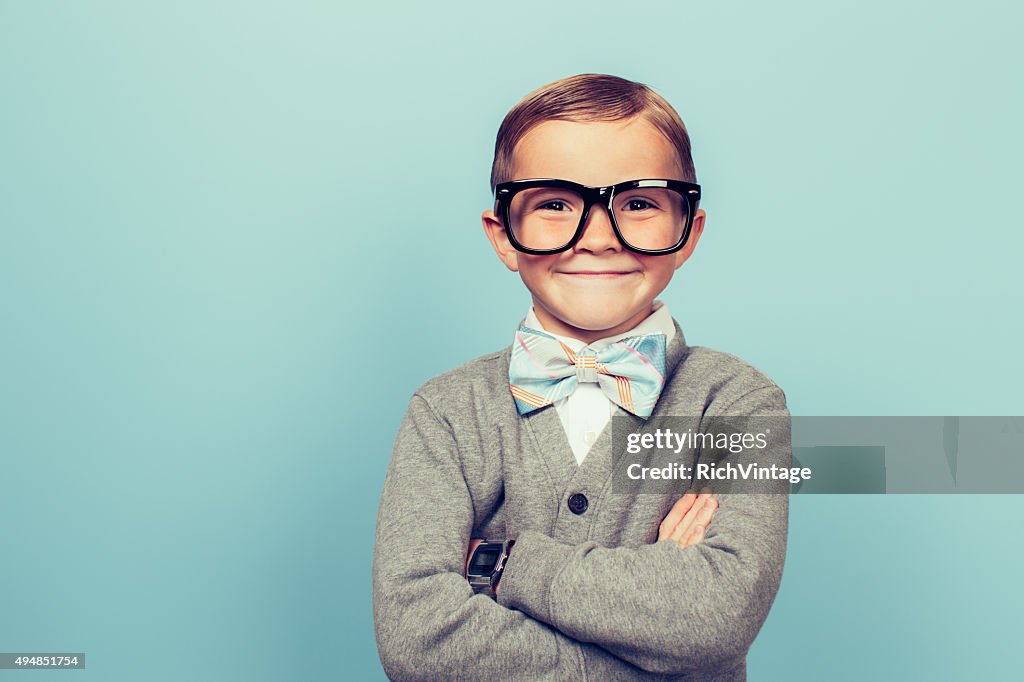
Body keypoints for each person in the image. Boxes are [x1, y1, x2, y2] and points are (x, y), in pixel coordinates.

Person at [372, 73, 791, 681]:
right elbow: (418, 641)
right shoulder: (445, 411)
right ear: (503, 237)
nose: (596, 239)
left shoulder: (740, 403)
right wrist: (653, 633)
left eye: (639, 203)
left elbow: (715, 617)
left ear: (688, 233)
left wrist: (503, 565)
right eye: (554, 204)